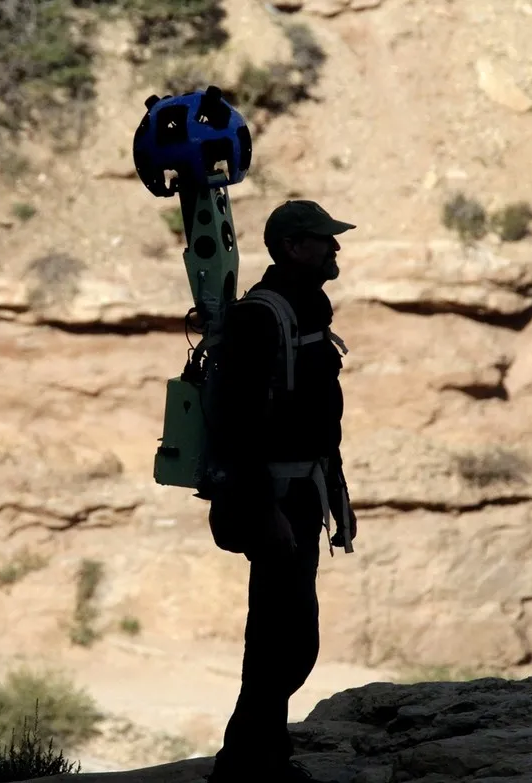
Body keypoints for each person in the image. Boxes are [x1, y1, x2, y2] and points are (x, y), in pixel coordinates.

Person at [205, 200, 359, 783]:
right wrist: (266, 511)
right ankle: (247, 766)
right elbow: (238, 425)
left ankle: (260, 758)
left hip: (301, 495)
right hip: (273, 499)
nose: (334, 247)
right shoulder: (261, 317)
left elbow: (317, 416)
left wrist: (336, 495)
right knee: (277, 637)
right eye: (323, 239)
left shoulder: (307, 305)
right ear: (293, 247)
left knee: (290, 637)